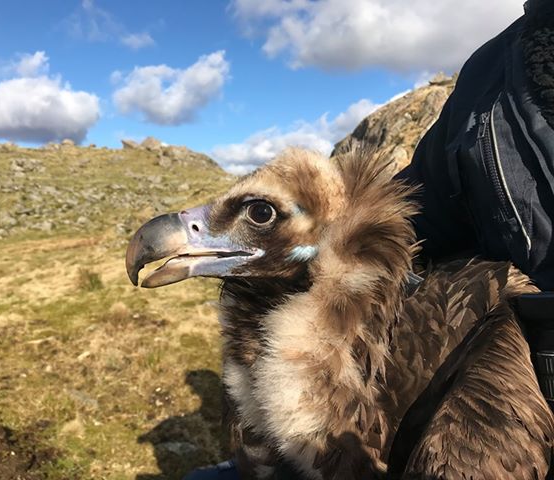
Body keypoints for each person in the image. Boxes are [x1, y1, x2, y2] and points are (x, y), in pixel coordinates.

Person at [184, 1, 554, 477]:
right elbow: (419, 215)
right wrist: (330, 254)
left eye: (257, 214)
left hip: (501, 400)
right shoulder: (494, 75)